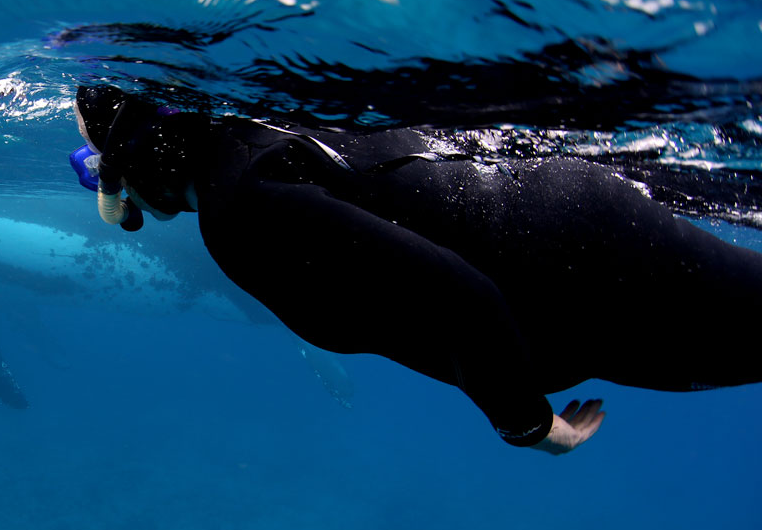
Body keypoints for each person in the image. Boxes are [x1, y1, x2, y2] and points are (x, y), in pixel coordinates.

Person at [69, 85, 762, 453]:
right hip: (574, 260)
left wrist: (528, 427)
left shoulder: (238, 214)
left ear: (137, 167)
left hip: (586, 278)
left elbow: (458, 296)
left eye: (104, 179)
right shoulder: (253, 138)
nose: (117, 201)